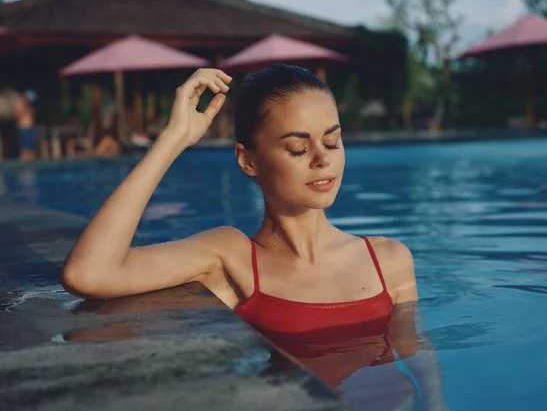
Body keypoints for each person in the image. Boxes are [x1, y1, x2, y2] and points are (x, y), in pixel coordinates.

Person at [61, 65, 447, 409]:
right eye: (298, 147)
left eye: (332, 141)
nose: (321, 158)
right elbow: (89, 274)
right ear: (248, 160)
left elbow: (417, 352)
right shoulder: (232, 257)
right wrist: (173, 139)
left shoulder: (389, 258)